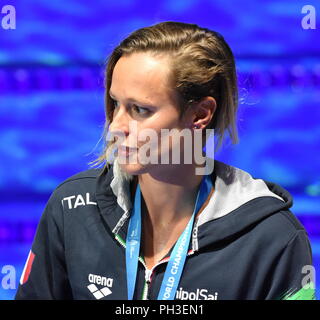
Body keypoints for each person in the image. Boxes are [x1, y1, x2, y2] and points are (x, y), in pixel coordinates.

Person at [15, 21, 315, 300]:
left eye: (140, 110)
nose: (116, 126)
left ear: (199, 115)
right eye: (116, 103)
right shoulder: (73, 208)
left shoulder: (273, 239)